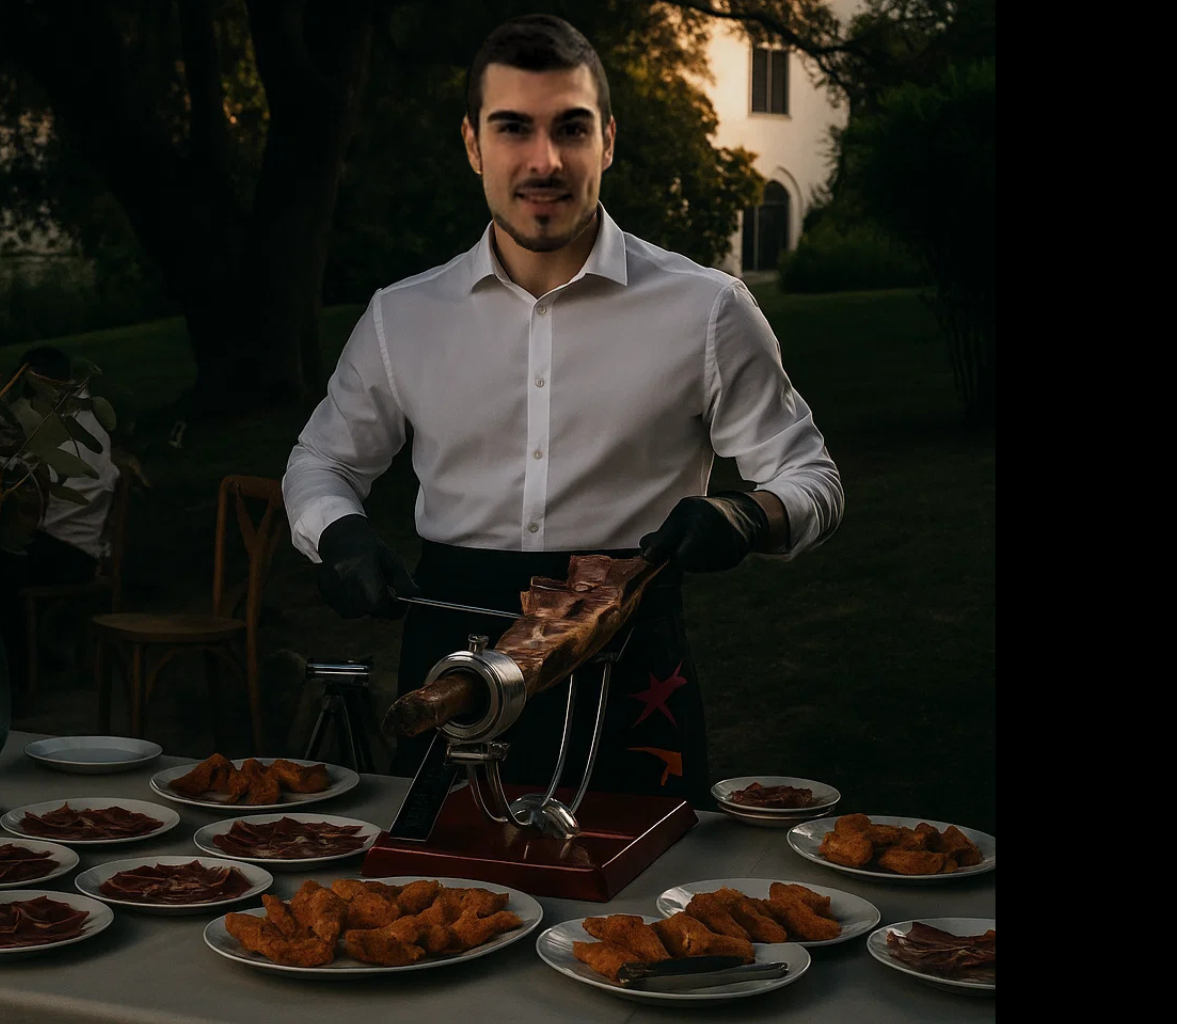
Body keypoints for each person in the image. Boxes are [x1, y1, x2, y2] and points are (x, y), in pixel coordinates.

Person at [281, 14, 843, 806]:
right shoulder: (401, 316)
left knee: (639, 915)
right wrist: (336, 533)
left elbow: (812, 476)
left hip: (630, 667)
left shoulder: (708, 309)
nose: (543, 160)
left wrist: (750, 517)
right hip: (452, 658)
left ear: (607, 140)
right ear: (474, 144)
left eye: (570, 129)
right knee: (440, 910)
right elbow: (322, 460)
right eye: (513, 128)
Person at [0, 346, 121, 699]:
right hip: (64, 540)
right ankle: (18, 665)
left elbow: (39, 489)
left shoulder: (71, 425)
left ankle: (13, 682)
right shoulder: (67, 415)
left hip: (74, 549)